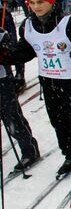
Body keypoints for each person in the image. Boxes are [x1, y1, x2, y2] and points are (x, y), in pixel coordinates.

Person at [0, 0, 71, 178]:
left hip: (70, 78)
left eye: (41, 2)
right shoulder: (29, 25)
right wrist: (5, 54)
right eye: (32, 3)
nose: (36, 7)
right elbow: (25, 51)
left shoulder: (69, 22)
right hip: (47, 78)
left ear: (50, 1)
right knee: (57, 119)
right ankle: (70, 152)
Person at [0, 28, 40, 171]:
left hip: (2, 81)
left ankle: (29, 150)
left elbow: (7, 43)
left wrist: (3, 50)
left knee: (12, 119)